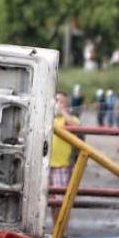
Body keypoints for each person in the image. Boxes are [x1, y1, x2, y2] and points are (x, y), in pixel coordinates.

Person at [49, 92, 80, 221]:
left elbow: (77, 127)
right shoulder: (49, 117)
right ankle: (54, 229)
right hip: (46, 164)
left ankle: (62, 230)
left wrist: (63, 111)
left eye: (61, 102)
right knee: (50, 201)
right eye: (56, 100)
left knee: (61, 201)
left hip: (62, 165)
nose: (57, 104)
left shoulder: (69, 119)